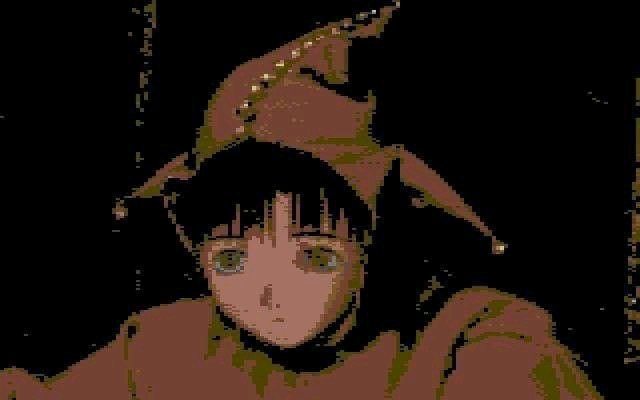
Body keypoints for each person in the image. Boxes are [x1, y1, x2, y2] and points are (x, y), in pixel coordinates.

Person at [1, 3, 603, 399]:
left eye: (315, 256)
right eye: (231, 260)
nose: (268, 294)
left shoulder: (476, 340)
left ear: (374, 239)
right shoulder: (167, 346)